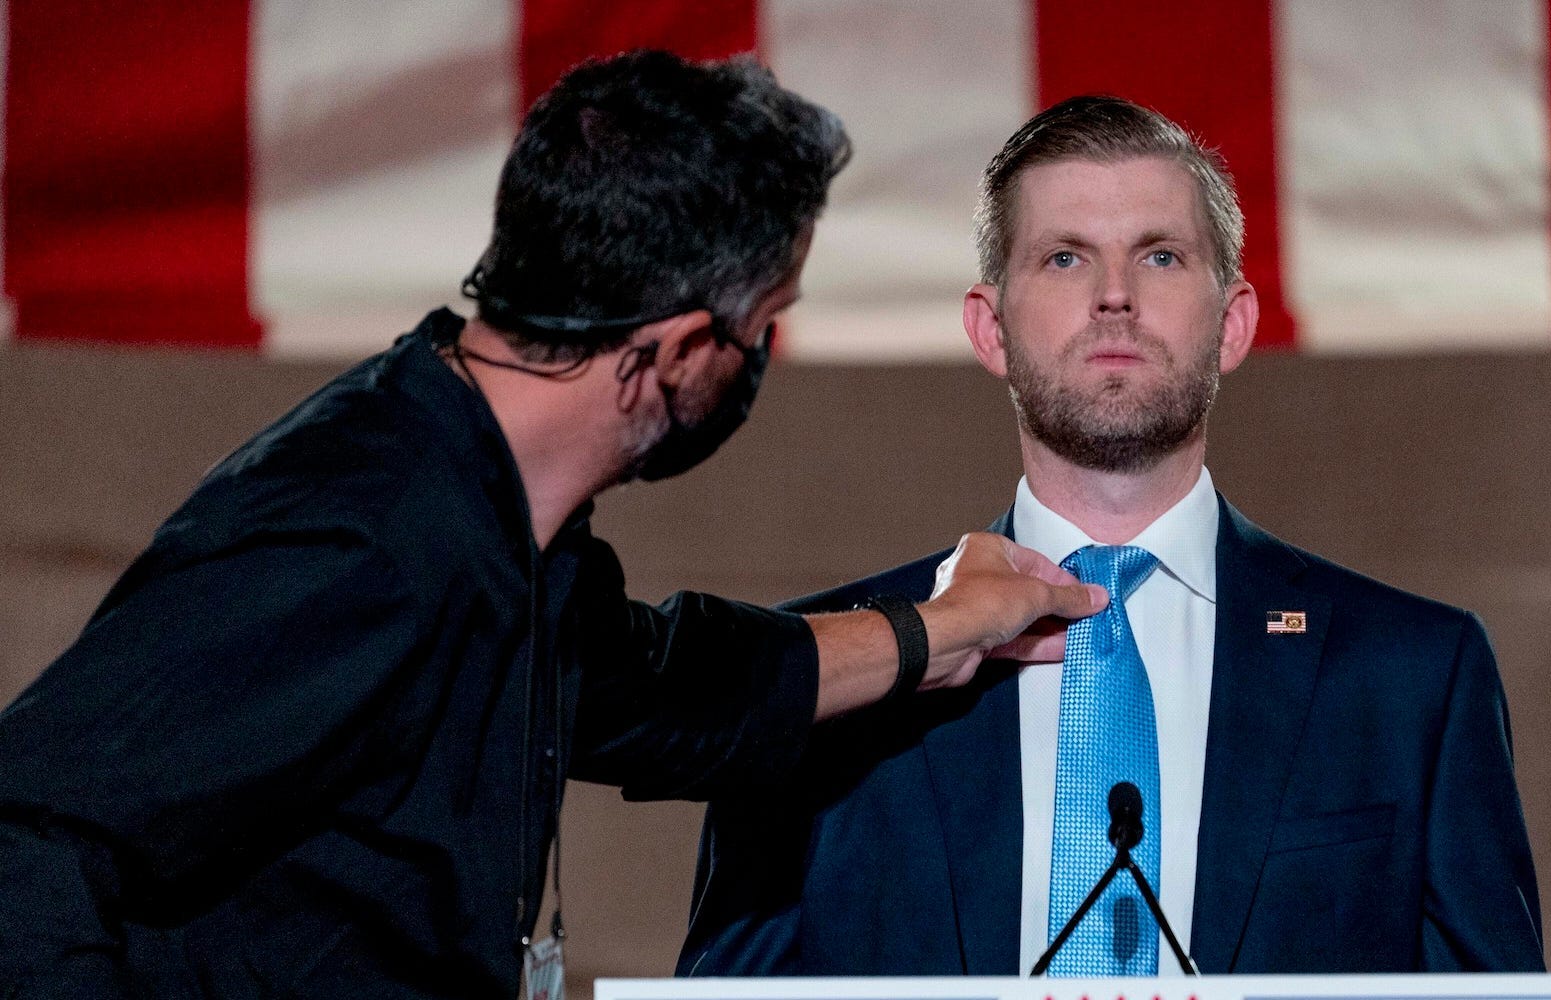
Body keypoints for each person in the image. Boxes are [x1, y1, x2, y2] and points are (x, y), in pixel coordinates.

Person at [0, 53, 1101, 1000]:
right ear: (673, 351)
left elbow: (665, 686)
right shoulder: (358, 538)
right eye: (761, 326)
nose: (761, 357)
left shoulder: (497, 512)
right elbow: (29, 842)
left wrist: (940, 630)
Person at [680, 96, 1544, 977]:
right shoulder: (824, 676)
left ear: (1234, 323)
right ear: (990, 328)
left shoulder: (1413, 675)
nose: (1115, 297)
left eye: (1160, 256)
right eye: (1064, 258)